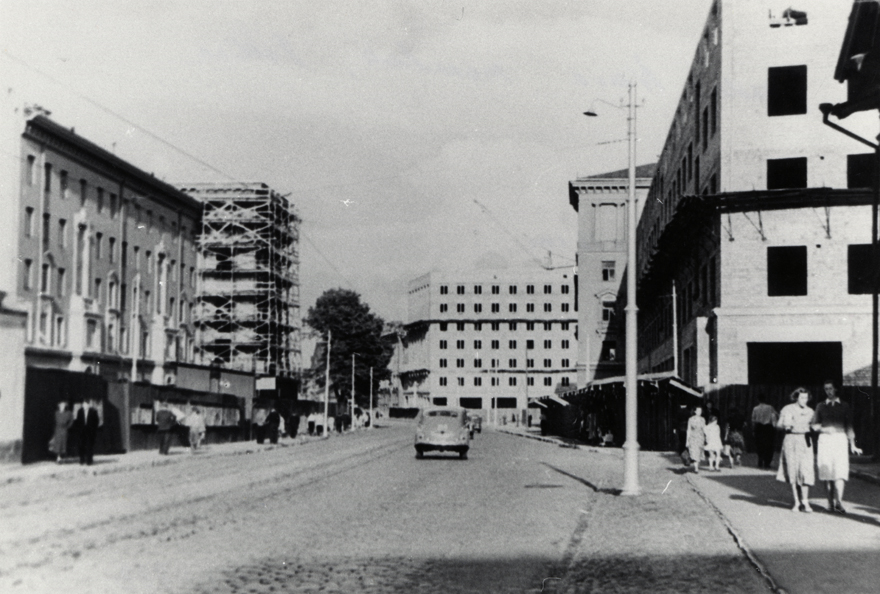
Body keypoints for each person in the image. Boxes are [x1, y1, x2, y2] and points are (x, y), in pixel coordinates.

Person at [812, 379, 862, 513]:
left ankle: (839, 501)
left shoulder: (845, 406)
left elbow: (849, 426)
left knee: (839, 472)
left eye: (830, 388)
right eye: (826, 389)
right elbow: (814, 425)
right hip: (825, 440)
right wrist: (823, 429)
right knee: (827, 472)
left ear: (836, 389)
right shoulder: (820, 406)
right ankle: (829, 503)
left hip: (840, 440)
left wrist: (853, 445)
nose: (828, 391)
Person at [776, 388, 816, 512]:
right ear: (796, 397)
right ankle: (796, 502)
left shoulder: (811, 411)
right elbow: (778, 425)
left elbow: (814, 426)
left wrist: (814, 427)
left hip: (805, 441)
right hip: (791, 440)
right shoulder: (787, 409)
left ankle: (805, 501)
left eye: (806, 398)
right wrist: (786, 424)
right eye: (801, 398)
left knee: (805, 471)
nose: (804, 400)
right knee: (792, 471)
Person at [752, 394, 778, 469]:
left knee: (759, 444)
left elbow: (753, 420)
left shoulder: (755, 408)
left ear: (758, 400)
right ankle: (767, 462)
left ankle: (760, 459)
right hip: (768, 428)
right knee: (769, 445)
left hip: (759, 427)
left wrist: (753, 430)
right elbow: (776, 415)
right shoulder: (770, 407)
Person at [76, 398, 100, 466]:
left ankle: (89, 460)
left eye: (86, 404)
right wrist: (79, 430)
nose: (84, 405)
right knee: (81, 445)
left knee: (89, 446)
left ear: (88, 404)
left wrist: (93, 429)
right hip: (82, 431)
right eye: (83, 404)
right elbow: (78, 421)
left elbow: (96, 421)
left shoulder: (93, 411)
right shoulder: (80, 411)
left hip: (90, 431)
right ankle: (82, 459)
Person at [685, 405, 706, 474]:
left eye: (700, 411)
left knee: (699, 452)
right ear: (695, 411)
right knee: (694, 452)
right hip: (693, 437)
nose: (699, 412)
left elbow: (704, 429)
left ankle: (696, 466)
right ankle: (696, 468)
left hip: (700, 437)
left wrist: (707, 437)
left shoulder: (703, 419)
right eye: (698, 410)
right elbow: (688, 430)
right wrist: (687, 441)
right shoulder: (691, 419)